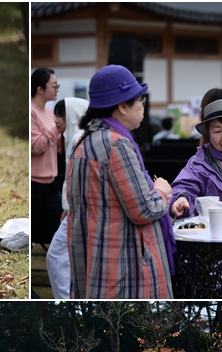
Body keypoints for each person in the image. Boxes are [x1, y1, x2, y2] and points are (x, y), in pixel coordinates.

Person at [67, 64, 175, 299]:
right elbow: (143, 209)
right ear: (123, 106)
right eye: (140, 101)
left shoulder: (86, 141)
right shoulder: (117, 144)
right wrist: (162, 191)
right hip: (125, 261)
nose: (143, 107)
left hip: (96, 254)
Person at [30, 67, 61, 245]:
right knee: (35, 232)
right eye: (54, 86)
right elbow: (36, 146)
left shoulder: (50, 112)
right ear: (40, 89)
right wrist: (56, 129)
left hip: (51, 181)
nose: (57, 89)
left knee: (57, 229)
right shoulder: (32, 111)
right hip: (35, 183)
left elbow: (52, 144)